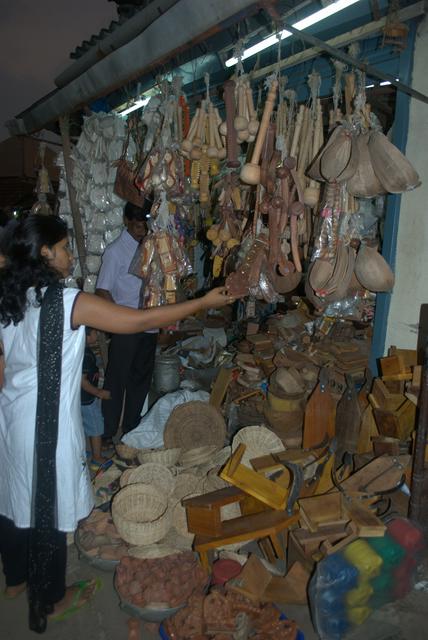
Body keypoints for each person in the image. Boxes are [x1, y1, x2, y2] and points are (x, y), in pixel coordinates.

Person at [0, 215, 234, 633]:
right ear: (45, 253)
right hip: (44, 426)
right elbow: (139, 321)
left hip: (11, 418)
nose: (71, 254)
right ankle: (48, 601)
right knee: (46, 511)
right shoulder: (67, 301)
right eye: (66, 246)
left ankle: (16, 580)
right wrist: (202, 303)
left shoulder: (12, 298)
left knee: (15, 498)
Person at [95, 200, 157, 440]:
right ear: (126, 221)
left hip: (149, 322)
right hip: (125, 324)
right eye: (138, 226)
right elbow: (102, 290)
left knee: (140, 379)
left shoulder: (152, 246)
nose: (142, 229)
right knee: (116, 380)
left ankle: (131, 430)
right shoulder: (115, 251)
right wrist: (115, 321)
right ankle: (108, 432)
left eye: (145, 225)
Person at [81, 328, 112, 469]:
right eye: (94, 332)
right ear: (86, 336)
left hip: (80, 399)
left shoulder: (80, 350)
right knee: (96, 427)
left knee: (81, 425)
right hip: (88, 399)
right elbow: (83, 382)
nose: (97, 334)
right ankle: (97, 457)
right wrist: (98, 392)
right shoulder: (85, 355)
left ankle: (84, 451)